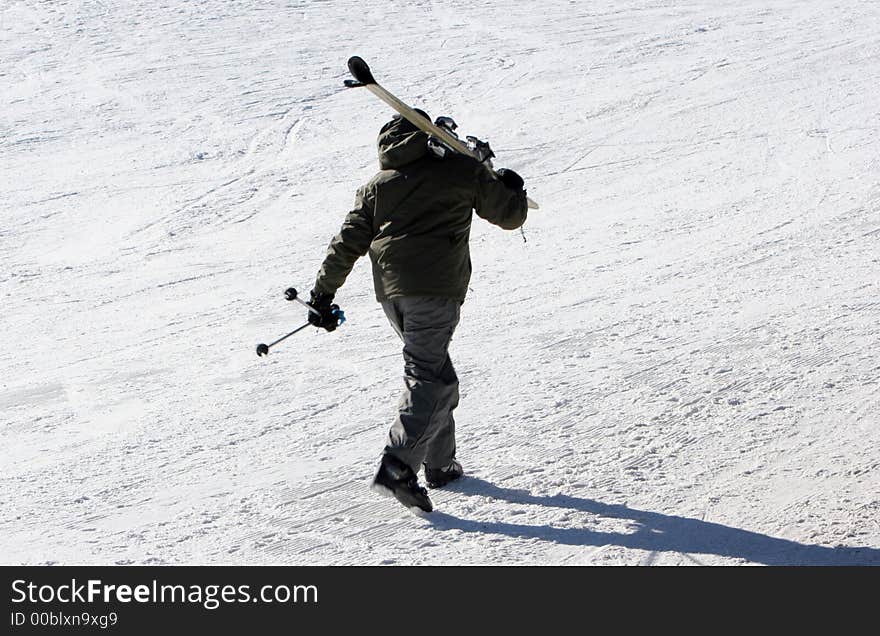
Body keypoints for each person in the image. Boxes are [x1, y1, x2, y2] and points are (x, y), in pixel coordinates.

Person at [303, 110, 528, 512]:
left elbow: (346, 242)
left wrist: (322, 295)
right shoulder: (460, 169)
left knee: (438, 375)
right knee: (428, 378)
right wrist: (511, 187)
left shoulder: (377, 186)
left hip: (393, 295)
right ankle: (398, 465)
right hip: (435, 289)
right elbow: (508, 216)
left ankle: (440, 465)